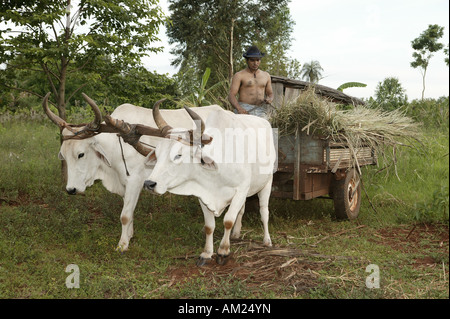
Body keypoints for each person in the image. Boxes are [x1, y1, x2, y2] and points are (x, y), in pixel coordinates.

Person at [228, 45, 274, 119]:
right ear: (247, 60)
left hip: (261, 110)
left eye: (257, 60)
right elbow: (231, 95)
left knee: (266, 129)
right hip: (244, 109)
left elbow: (270, 93)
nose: (255, 63)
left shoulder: (266, 75)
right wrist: (239, 108)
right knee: (241, 130)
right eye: (252, 60)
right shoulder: (239, 75)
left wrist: (270, 99)